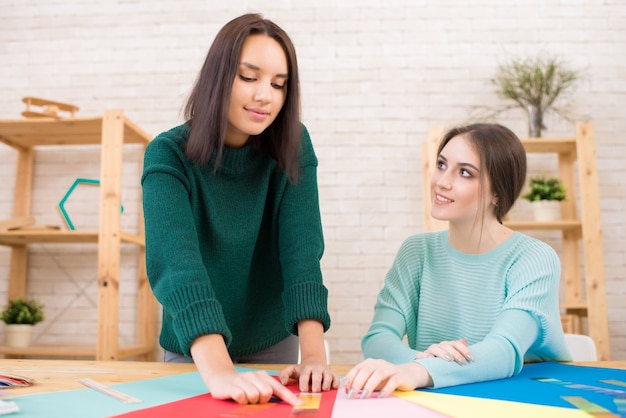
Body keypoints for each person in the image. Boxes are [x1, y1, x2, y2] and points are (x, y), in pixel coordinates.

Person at [141, 13, 337, 406]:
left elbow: (302, 249)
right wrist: (218, 370)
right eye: (249, 77)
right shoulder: (167, 154)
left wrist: (314, 356)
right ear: (218, 77)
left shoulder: (293, 144)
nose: (266, 95)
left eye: (279, 85)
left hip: (272, 341)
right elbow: (176, 265)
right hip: (195, 348)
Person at [342, 123, 571, 399]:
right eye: (441, 164)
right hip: (444, 397)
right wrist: (424, 360)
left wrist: (418, 370)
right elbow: (378, 338)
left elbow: (505, 349)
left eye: (464, 172)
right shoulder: (416, 252)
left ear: (497, 192)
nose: (442, 181)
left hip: (531, 398)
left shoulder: (534, 259)